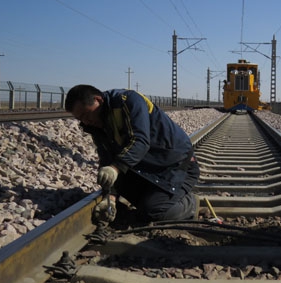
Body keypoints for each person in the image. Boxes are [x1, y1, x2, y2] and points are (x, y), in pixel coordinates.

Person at [64, 84, 199, 224]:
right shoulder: (96, 123)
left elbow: (140, 141)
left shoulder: (128, 101)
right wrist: (110, 196)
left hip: (176, 165)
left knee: (152, 212)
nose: (86, 121)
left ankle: (190, 204)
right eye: (80, 119)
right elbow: (106, 158)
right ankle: (155, 198)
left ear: (98, 100)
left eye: (86, 115)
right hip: (148, 166)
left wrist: (115, 168)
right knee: (123, 190)